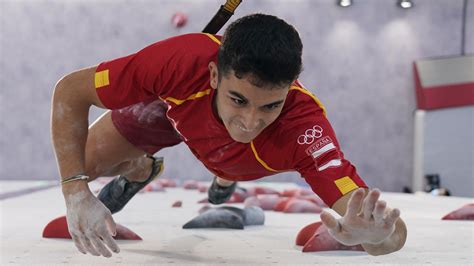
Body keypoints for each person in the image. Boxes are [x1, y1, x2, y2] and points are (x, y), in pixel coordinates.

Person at [51, 13, 407, 258]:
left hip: (242, 163)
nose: (250, 122)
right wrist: (75, 190)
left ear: (289, 91)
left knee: (233, 160)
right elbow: (70, 90)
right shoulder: (178, 60)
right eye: (239, 100)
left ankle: (223, 177)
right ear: (213, 75)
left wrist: (375, 238)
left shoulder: (303, 128)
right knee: (82, 163)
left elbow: (390, 231)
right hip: (170, 112)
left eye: (270, 106)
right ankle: (140, 169)